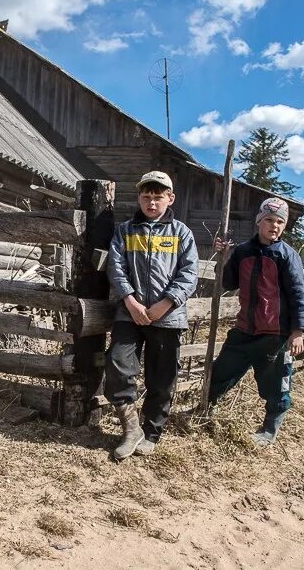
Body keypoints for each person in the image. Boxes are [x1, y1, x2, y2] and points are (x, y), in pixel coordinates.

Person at [106, 170, 199, 460]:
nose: (152, 203)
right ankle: (131, 428)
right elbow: (116, 267)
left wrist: (165, 304)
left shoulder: (181, 233)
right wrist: (131, 302)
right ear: (139, 198)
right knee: (118, 363)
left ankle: (152, 432)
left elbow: (189, 274)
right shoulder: (125, 230)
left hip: (167, 317)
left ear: (170, 199)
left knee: (162, 377)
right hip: (129, 314)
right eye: (146, 197)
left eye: (158, 197)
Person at [208, 197, 304, 446]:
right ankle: (205, 409)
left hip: (275, 334)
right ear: (259, 222)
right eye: (269, 220)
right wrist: (223, 257)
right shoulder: (243, 252)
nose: (274, 226)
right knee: (220, 372)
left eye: (279, 222)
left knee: (276, 384)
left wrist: (298, 331)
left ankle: (269, 429)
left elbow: (298, 294)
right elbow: (228, 282)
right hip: (245, 329)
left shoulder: (287, 256)